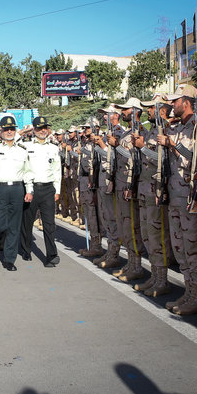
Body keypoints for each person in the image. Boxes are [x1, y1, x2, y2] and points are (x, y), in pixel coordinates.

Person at [157, 86, 197, 313]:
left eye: (175, 102)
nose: (171, 106)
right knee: (180, 248)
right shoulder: (177, 126)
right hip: (175, 195)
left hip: (190, 196)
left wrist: (172, 144)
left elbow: (195, 157)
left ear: (186, 102)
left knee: (193, 247)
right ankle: (188, 293)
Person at [132, 97, 173, 297]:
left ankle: (162, 280)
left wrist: (143, 148)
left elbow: (163, 160)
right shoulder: (150, 130)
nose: (147, 111)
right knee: (148, 236)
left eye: (151, 108)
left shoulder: (167, 129)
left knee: (158, 237)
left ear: (162, 110)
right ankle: (155, 276)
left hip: (156, 190)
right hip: (144, 189)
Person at [0, 116, 33, 271]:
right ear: (1, 130)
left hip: (17, 189)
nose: (9, 131)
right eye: (6, 129)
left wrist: (29, 190)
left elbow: (28, 171)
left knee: (14, 226)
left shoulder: (22, 150)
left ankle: (10, 259)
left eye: (12, 129)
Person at [108, 98, 146, 281]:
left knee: (132, 227)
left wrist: (116, 145)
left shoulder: (140, 131)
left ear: (135, 111)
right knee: (125, 227)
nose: (122, 112)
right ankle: (131, 263)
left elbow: (135, 159)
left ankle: (137, 266)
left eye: (125, 110)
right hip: (121, 182)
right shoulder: (129, 132)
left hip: (130, 185)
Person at [19, 116, 62, 267]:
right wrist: (26, 130)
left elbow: (57, 171)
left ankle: (51, 255)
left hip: (48, 189)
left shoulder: (53, 148)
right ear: (34, 129)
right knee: (27, 221)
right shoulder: (26, 145)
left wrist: (57, 190)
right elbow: (13, 141)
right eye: (39, 128)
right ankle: (26, 249)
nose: (43, 130)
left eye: (45, 127)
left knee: (49, 224)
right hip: (31, 188)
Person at [91, 105, 123, 268]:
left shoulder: (120, 132)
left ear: (116, 115)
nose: (104, 117)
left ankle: (114, 254)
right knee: (106, 218)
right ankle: (109, 251)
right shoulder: (107, 133)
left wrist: (102, 147)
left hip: (111, 180)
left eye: (107, 114)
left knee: (112, 218)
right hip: (103, 179)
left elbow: (116, 158)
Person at [75, 118, 103, 258]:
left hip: (92, 182)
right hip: (84, 181)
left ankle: (97, 245)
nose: (85, 131)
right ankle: (93, 244)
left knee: (94, 215)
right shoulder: (85, 143)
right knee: (88, 213)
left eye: (87, 128)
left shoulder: (97, 143)